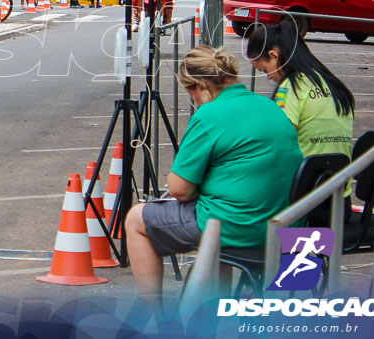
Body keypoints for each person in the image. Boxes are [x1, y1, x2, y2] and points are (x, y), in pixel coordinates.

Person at [124, 46, 302, 307]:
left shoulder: (209, 115)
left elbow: (179, 189)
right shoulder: (269, 106)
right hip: (283, 224)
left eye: (191, 93)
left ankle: (154, 318)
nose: (193, 100)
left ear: (200, 86)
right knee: (218, 225)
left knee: (136, 220)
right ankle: (214, 310)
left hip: (237, 227)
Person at [245, 21, 355, 160]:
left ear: (274, 56)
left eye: (264, 70)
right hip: (341, 177)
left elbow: (279, 140)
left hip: (307, 177)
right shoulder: (330, 82)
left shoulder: (290, 87)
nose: (269, 77)